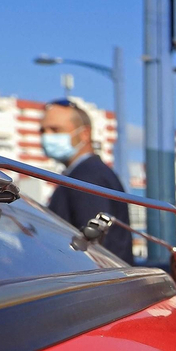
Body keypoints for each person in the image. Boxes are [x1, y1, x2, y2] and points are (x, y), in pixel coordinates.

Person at [41, 99, 132, 262]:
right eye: (43, 131)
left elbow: (93, 249)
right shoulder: (82, 174)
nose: (46, 136)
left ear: (84, 134)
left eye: (55, 130)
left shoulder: (88, 177)